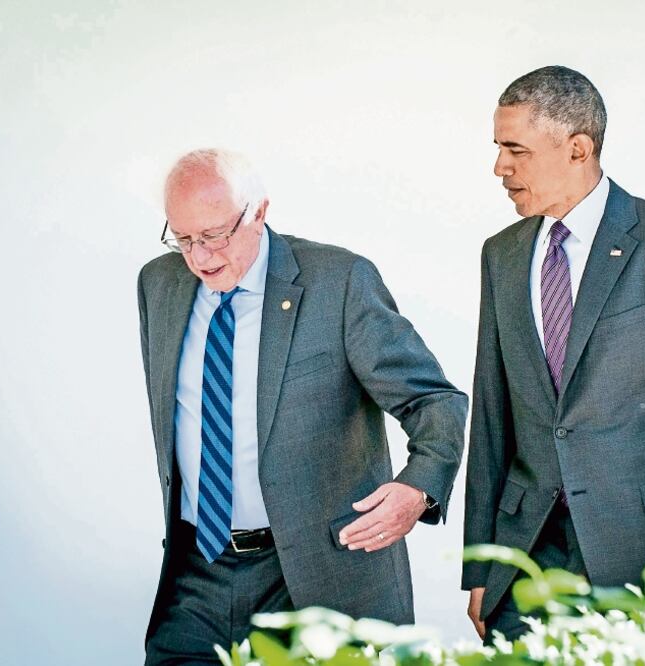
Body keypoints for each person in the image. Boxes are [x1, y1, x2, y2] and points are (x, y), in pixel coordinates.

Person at [137, 148, 467, 663]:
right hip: (197, 570)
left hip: (316, 574)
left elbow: (433, 400)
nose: (200, 257)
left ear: (259, 211)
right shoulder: (159, 285)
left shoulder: (339, 283)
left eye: (215, 235)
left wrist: (419, 487)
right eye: (184, 239)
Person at [462, 66, 645, 642]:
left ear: (577, 149)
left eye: (515, 150)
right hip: (524, 560)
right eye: (498, 149)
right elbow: (492, 415)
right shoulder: (501, 254)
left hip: (644, 554)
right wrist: (479, 564)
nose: (499, 168)